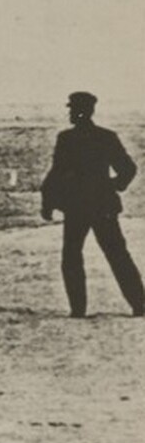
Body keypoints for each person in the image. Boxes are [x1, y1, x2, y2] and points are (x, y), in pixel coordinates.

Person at [40, 91, 145, 317]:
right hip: (102, 205)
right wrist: (113, 186)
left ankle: (78, 310)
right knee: (117, 255)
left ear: (82, 111)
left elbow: (56, 173)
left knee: (72, 257)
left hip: (77, 207)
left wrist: (47, 202)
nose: (70, 113)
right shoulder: (106, 137)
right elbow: (128, 169)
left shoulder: (67, 139)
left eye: (72, 109)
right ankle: (140, 306)